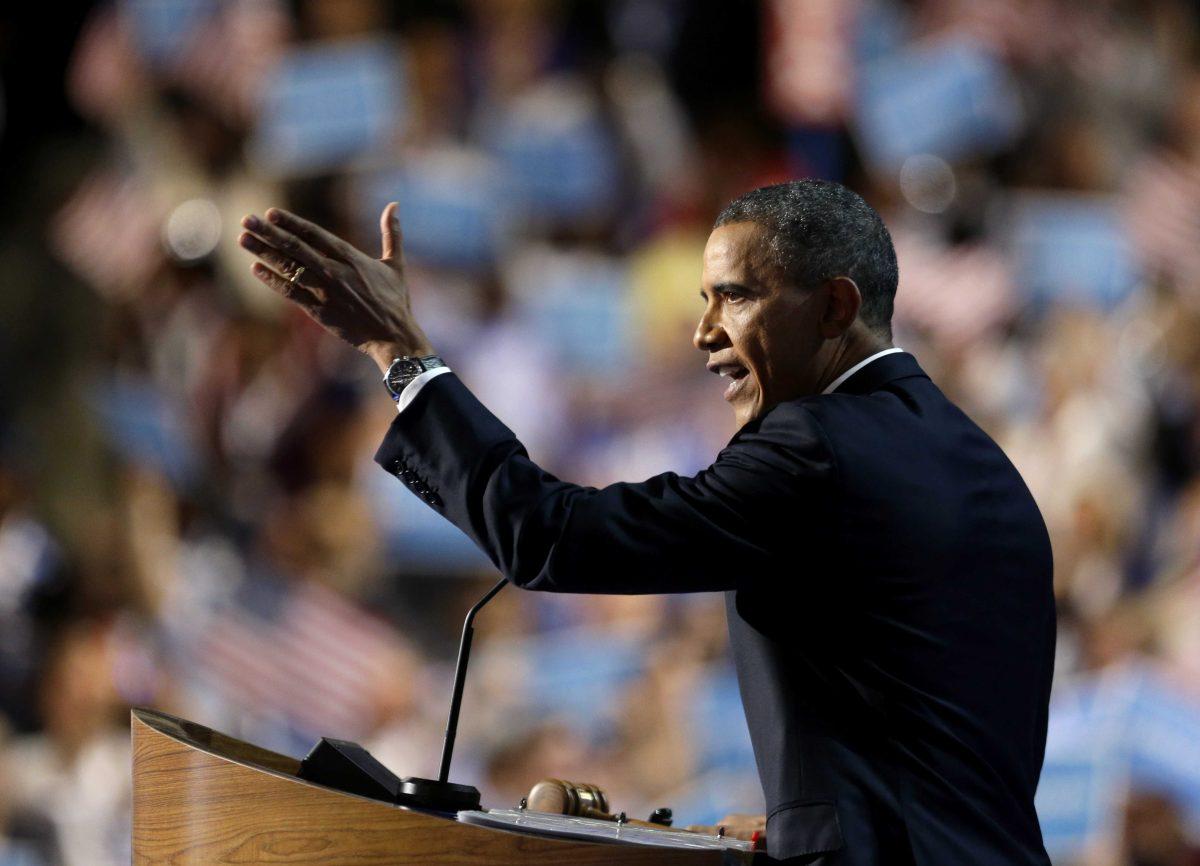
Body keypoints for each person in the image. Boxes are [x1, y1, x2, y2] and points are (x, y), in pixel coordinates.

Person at [238, 180, 1056, 865]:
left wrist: (398, 352)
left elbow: (550, 536)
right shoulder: (981, 463)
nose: (702, 333)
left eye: (733, 297)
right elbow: (929, 740)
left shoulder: (815, 445)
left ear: (834, 306)